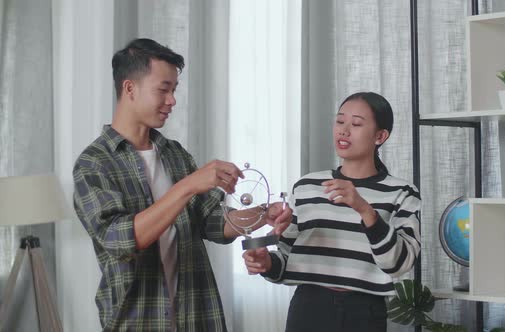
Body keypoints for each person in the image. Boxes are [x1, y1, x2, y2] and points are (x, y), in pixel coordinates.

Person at [73, 38, 291, 331]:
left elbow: (214, 223)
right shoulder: (94, 163)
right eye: (163, 89)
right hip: (136, 322)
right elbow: (121, 240)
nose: (172, 100)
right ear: (129, 89)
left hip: (198, 316)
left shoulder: (175, 154)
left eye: (174, 90)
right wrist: (188, 185)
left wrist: (263, 215)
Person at [243, 92, 421, 332]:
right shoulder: (307, 186)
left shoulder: (402, 192)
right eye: (340, 121)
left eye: (356, 124)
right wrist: (266, 263)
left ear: (380, 136)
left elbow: (399, 264)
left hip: (365, 311)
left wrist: (364, 209)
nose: (344, 131)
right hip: (308, 307)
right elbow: (286, 259)